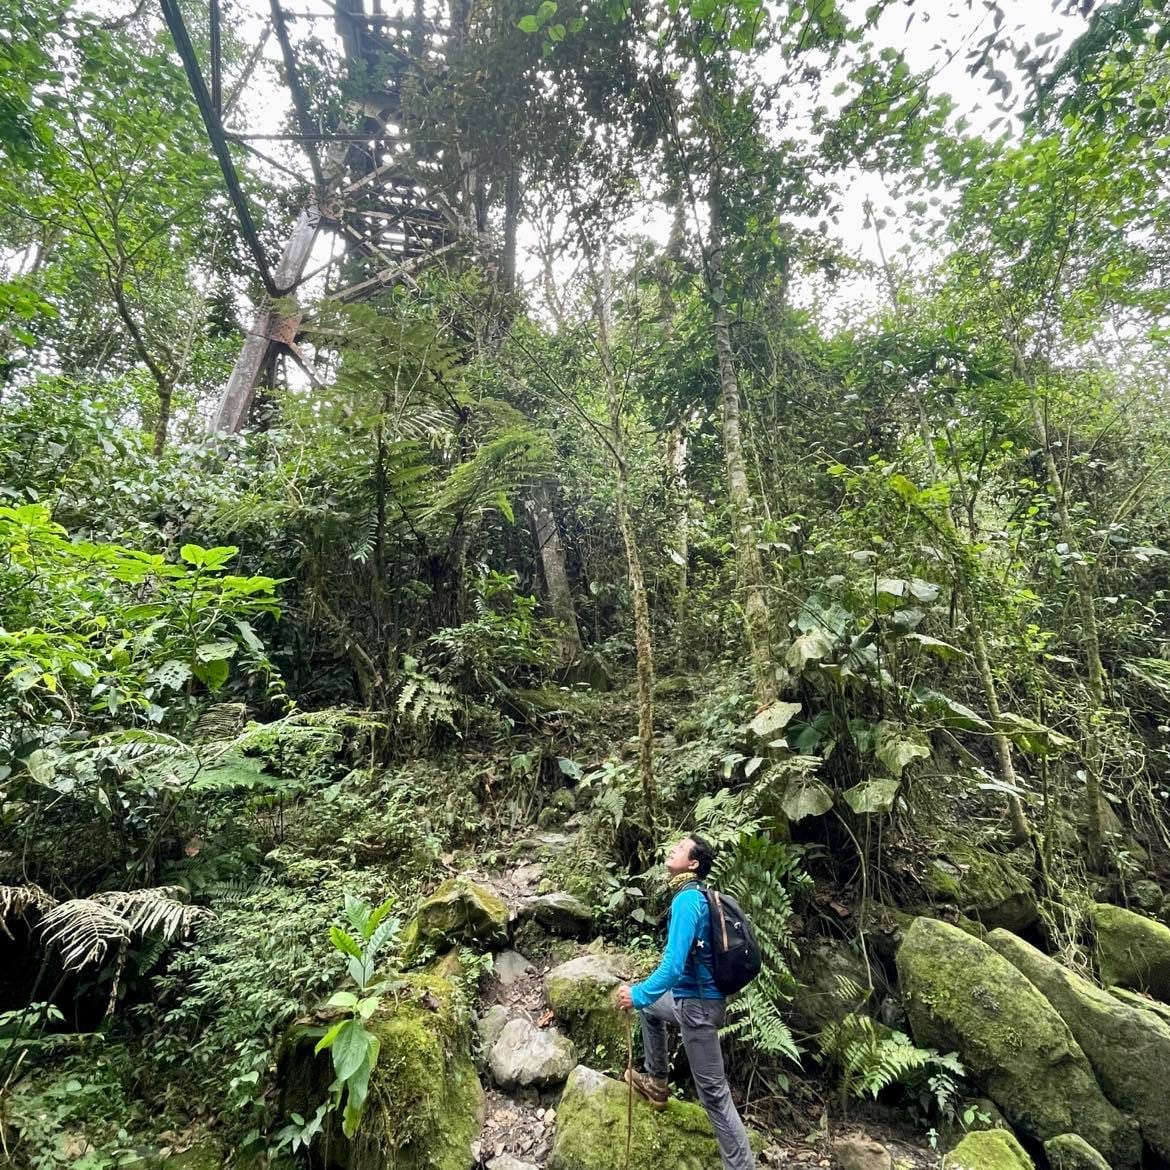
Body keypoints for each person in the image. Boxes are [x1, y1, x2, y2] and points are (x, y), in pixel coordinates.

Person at [615, 834, 754, 1170]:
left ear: (693, 863)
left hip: (698, 1009)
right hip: (689, 1001)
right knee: (651, 1007)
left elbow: (673, 967)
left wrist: (636, 994)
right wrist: (644, 998)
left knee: (715, 1097)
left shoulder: (687, 901)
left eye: (681, 848)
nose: (673, 849)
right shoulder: (695, 896)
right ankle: (657, 1083)